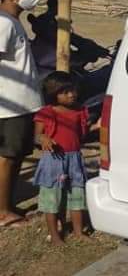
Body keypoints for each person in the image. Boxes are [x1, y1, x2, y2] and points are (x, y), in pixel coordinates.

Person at [0, 0, 43, 228]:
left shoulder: (13, 22)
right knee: (7, 157)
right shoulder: (3, 23)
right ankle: (3, 212)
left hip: (23, 104)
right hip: (10, 106)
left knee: (15, 157)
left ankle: (8, 204)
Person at [33, 72, 91, 245]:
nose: (71, 94)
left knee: (77, 195)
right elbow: (37, 136)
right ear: (53, 94)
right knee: (52, 198)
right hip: (54, 160)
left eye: (73, 90)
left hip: (74, 159)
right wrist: (43, 138)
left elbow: (82, 134)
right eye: (65, 92)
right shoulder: (46, 113)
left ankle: (78, 232)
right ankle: (55, 235)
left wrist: (94, 126)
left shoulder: (80, 110)